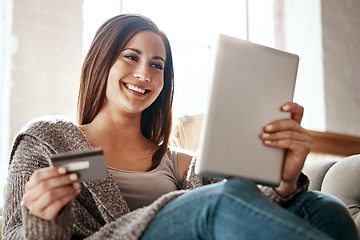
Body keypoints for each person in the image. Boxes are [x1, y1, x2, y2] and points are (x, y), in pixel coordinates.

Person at [2, 14, 357, 240]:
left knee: (325, 208)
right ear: (101, 61)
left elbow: (248, 211)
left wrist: (284, 182)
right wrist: (41, 220)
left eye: (157, 65)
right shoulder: (48, 139)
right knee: (219, 201)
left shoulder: (183, 164)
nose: (145, 73)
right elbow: (16, 232)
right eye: (131, 56)